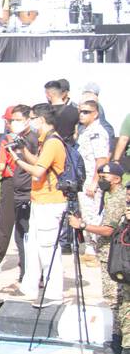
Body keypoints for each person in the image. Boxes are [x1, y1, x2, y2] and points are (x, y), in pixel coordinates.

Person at [69, 162, 128, 354]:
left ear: (117, 179)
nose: (101, 178)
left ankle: (118, 344)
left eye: (105, 175)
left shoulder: (118, 198)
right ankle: (118, 342)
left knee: (116, 301)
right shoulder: (111, 196)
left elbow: (108, 230)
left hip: (114, 256)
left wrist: (83, 226)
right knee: (116, 301)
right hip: (111, 255)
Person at [15, 103, 68, 307]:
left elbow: (38, 171)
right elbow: (39, 162)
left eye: (33, 118)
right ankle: (30, 286)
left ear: (41, 120)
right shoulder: (46, 140)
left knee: (48, 250)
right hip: (41, 201)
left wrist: (19, 162)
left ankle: (54, 294)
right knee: (34, 246)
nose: (30, 122)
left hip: (50, 203)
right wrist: (21, 152)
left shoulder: (53, 142)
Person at [0, 105, 33, 280]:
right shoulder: (33, 138)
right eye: (11, 120)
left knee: (8, 225)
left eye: (14, 120)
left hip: (13, 182)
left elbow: (1, 165)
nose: (10, 123)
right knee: (23, 229)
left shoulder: (9, 139)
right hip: (27, 184)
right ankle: (25, 267)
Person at [75, 99, 111, 253]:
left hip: (92, 179)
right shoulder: (85, 130)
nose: (82, 115)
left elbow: (101, 160)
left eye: (86, 112)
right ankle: (89, 247)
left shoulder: (97, 132)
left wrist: (94, 182)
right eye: (80, 111)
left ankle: (93, 249)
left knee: (92, 214)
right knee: (85, 212)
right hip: (84, 178)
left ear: (95, 114)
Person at [44, 78, 79, 143]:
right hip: (68, 149)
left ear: (48, 95)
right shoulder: (75, 111)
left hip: (50, 147)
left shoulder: (45, 112)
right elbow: (76, 135)